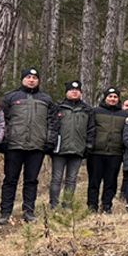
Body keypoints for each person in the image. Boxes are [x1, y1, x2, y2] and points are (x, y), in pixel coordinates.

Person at [0, 68, 55, 225]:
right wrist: (3, 140)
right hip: (14, 146)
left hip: (37, 146)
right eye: (28, 77)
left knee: (31, 181)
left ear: (38, 80)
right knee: (10, 180)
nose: (31, 80)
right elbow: (2, 120)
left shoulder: (46, 99)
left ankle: (28, 211)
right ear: (23, 79)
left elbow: (52, 122)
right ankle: (5, 212)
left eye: (35, 77)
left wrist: (49, 141)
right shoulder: (11, 97)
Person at [48, 80, 93, 209]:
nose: (74, 92)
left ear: (81, 92)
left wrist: (88, 146)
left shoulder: (87, 110)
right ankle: (53, 205)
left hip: (78, 150)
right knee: (56, 178)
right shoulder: (58, 107)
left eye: (77, 90)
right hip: (59, 150)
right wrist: (50, 143)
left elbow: (91, 130)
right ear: (66, 92)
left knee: (71, 179)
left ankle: (67, 205)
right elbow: (52, 127)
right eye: (71, 90)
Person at [86, 87, 126, 213]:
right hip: (96, 152)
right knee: (94, 181)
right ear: (105, 98)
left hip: (115, 153)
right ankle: (92, 206)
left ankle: (107, 205)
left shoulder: (124, 114)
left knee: (111, 182)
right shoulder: (95, 111)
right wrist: (89, 145)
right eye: (110, 96)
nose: (112, 99)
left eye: (115, 97)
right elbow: (90, 129)